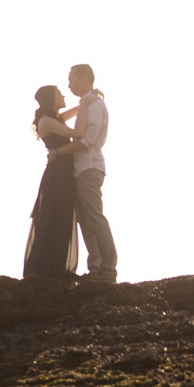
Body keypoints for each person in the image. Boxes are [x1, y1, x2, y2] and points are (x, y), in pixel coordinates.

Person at [48, 63, 117, 284]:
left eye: (72, 79)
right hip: (80, 170)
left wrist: (58, 151)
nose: (69, 84)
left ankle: (108, 268)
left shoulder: (95, 105)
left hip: (89, 167)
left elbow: (87, 141)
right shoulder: (87, 104)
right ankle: (96, 267)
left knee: (94, 217)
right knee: (86, 220)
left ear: (86, 79)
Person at [22, 84, 79, 280]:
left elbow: (71, 114)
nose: (63, 96)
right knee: (55, 216)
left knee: (61, 216)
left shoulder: (54, 118)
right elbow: (78, 134)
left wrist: (86, 102)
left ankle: (56, 267)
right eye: (59, 94)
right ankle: (49, 270)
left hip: (62, 172)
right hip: (58, 175)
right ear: (51, 99)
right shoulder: (48, 121)